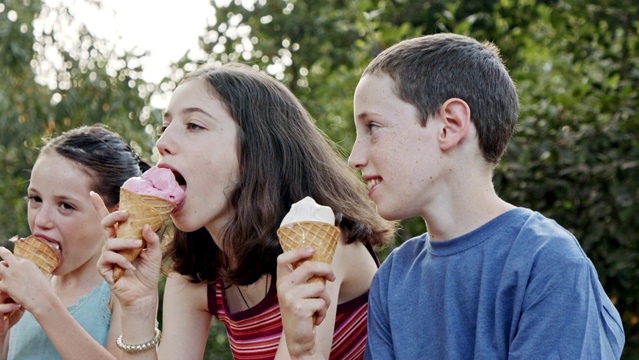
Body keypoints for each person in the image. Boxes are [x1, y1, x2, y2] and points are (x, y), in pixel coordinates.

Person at [348, 33, 626, 359]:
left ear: (450, 125)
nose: (354, 157)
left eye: (373, 127)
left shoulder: (547, 262)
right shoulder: (393, 278)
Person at [94, 62, 396, 359]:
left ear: (257, 150)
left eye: (194, 125)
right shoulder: (195, 277)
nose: (162, 143)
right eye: (165, 126)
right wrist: (138, 309)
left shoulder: (320, 245)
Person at [0, 124, 150, 359]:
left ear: (114, 216)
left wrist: (42, 303)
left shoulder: (123, 293)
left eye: (66, 206)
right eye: (35, 198)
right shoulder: (21, 285)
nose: (41, 220)